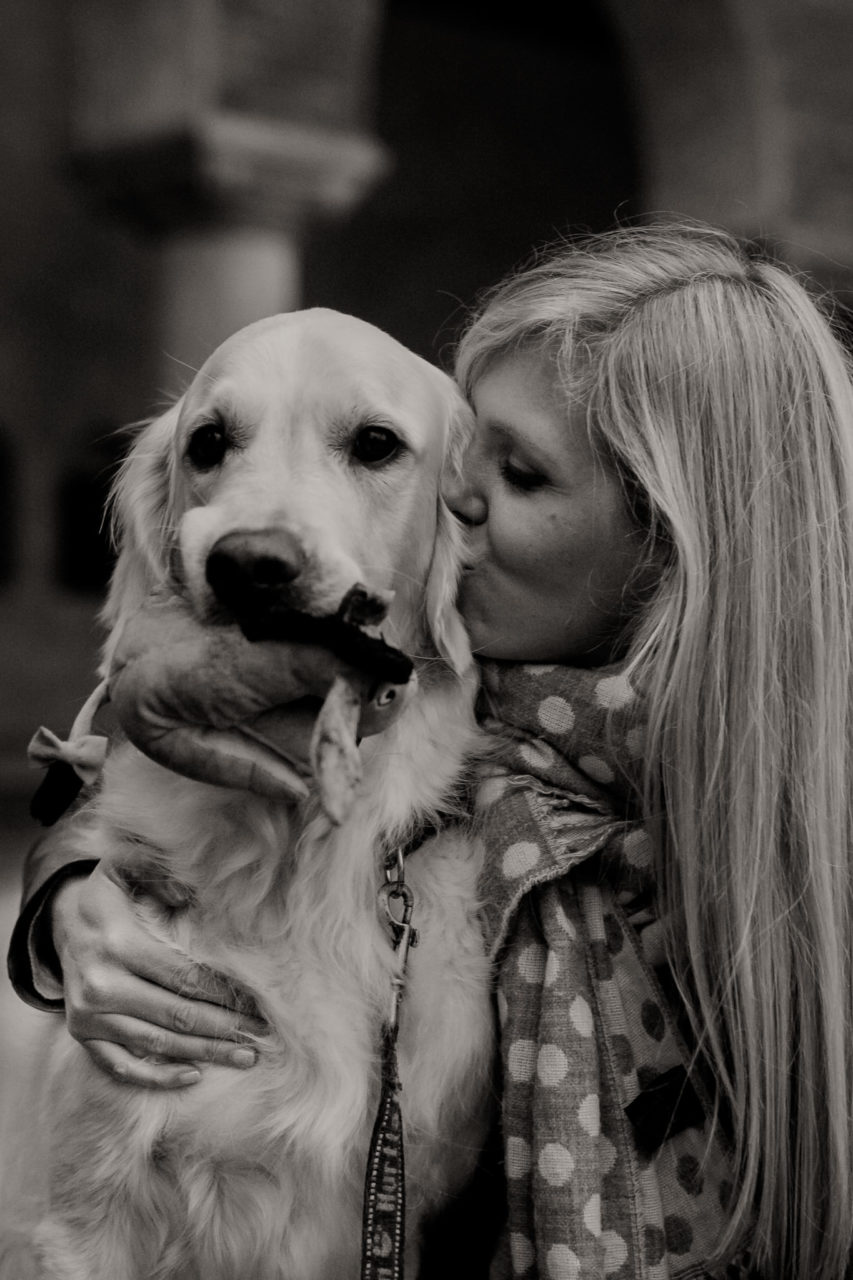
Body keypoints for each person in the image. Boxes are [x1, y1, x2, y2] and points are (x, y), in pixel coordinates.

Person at [9, 221, 853, 1278]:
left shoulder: (761, 812)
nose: (453, 504)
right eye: (463, 453)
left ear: (671, 537)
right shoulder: (434, 693)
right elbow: (142, 732)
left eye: (517, 472)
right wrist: (73, 895)